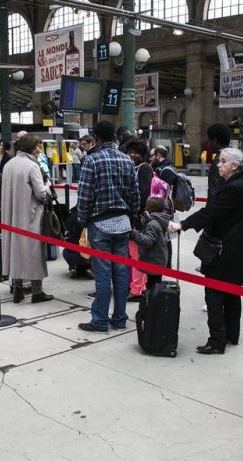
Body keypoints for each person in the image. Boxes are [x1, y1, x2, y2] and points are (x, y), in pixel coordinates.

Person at [169, 148, 243, 355]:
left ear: (235, 166)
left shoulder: (234, 188)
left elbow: (210, 212)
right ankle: (231, 334)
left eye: (223, 161)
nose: (218, 165)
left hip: (226, 249)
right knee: (232, 293)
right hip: (238, 247)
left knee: (214, 294)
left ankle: (217, 341)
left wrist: (183, 225)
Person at [76, 120, 139, 332]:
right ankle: (120, 318)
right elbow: (135, 196)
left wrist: (83, 221)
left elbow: (84, 197)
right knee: (121, 273)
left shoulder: (92, 161)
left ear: (96, 138)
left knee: (103, 275)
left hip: (100, 224)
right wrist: (131, 218)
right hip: (122, 223)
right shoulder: (127, 161)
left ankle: (100, 320)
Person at [1, 134, 54, 304]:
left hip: (11, 216)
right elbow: (41, 194)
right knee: (34, 252)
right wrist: (48, 186)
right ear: (30, 148)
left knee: (16, 249)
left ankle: (17, 288)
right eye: (37, 146)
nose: (39, 150)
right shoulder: (32, 166)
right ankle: (37, 292)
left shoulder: (9, 165)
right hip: (30, 216)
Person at [126, 139, 154, 302]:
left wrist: (135, 215)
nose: (132, 155)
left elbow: (144, 194)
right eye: (130, 152)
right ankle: (137, 287)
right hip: (135, 219)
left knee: (137, 256)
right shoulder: (136, 168)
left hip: (138, 221)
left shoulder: (144, 169)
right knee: (133, 255)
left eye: (136, 152)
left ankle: (138, 289)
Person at [130, 197, 170, 292]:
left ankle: (152, 303)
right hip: (159, 259)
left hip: (153, 260)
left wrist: (135, 234)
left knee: (152, 286)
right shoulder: (161, 220)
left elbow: (148, 242)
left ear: (149, 209)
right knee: (156, 284)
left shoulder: (152, 224)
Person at [62, 206, 92, 279]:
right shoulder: (90, 216)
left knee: (66, 251)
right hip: (89, 255)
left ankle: (73, 268)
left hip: (72, 254)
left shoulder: (70, 217)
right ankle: (91, 268)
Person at [206, 123, 231, 198]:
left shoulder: (219, 162)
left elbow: (213, 193)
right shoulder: (237, 158)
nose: (208, 144)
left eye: (209, 140)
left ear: (215, 140)